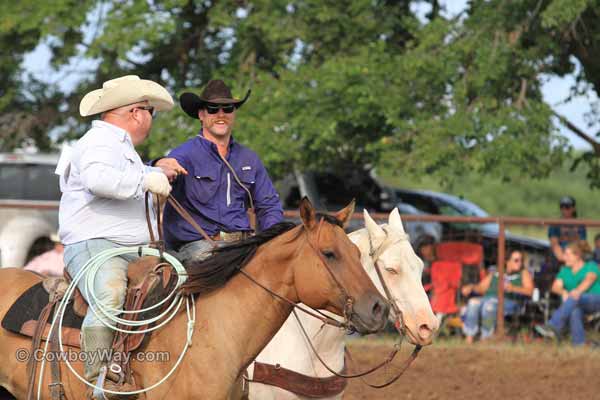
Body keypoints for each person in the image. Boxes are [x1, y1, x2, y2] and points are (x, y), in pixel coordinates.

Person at [58, 75, 174, 399]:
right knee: (109, 294)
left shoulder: (120, 148)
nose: (151, 119)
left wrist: (149, 178)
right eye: (152, 112)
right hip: (93, 245)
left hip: (132, 249)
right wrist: (147, 179)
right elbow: (97, 179)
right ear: (137, 112)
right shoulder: (98, 143)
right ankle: (97, 383)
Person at [155, 79, 283, 261]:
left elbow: (269, 205)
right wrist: (160, 164)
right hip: (197, 248)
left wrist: (272, 239)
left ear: (234, 113)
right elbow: (162, 167)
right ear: (201, 114)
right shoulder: (184, 154)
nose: (221, 114)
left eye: (228, 109)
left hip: (243, 245)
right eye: (213, 109)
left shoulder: (249, 158)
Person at [461, 249, 533, 343]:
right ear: (508, 261)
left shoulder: (523, 273)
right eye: (516, 260)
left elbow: (530, 291)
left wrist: (513, 288)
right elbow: (482, 287)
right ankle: (469, 336)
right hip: (488, 298)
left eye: (521, 260)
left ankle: (486, 336)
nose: (519, 263)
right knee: (473, 302)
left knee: (489, 306)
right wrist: (471, 287)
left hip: (509, 301)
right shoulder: (496, 272)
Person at [535, 242, 600, 346]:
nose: (564, 257)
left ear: (577, 256)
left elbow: (589, 280)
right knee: (575, 310)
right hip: (576, 302)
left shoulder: (591, 266)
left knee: (576, 298)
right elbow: (555, 287)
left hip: (596, 299)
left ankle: (553, 325)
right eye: (565, 254)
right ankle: (579, 345)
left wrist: (576, 292)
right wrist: (563, 292)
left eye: (568, 255)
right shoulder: (565, 270)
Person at [548, 196, 587, 263]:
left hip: (576, 256)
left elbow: (582, 243)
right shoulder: (555, 224)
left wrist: (574, 258)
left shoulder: (580, 224)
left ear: (573, 208)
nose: (564, 210)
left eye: (567, 207)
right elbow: (555, 244)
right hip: (560, 257)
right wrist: (563, 258)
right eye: (562, 207)